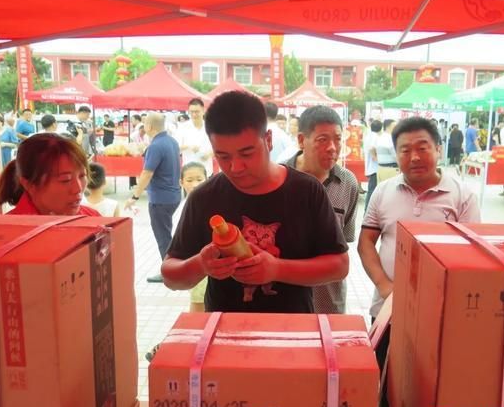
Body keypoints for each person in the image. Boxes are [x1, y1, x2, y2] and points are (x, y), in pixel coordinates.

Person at [161, 91, 349, 314]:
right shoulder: (204, 197)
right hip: (225, 328)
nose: (235, 167)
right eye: (223, 156)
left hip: (293, 327)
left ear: (268, 140)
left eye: (247, 153)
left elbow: (339, 265)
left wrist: (277, 269)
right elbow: (170, 275)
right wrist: (200, 265)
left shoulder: (306, 191)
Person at [358, 116, 480, 407]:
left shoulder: (462, 195)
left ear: (438, 149)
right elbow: (366, 243)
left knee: (435, 392)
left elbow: (472, 254)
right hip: (388, 311)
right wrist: (385, 287)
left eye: (422, 147)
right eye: (405, 149)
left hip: (440, 315)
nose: (414, 157)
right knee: (388, 391)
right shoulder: (383, 191)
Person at [283, 105, 358, 314]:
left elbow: (344, 241)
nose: (332, 148)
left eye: (337, 139)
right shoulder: (279, 179)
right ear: (301, 140)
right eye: (322, 139)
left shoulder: (348, 183)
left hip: (328, 302)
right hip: (286, 302)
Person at [124, 112, 181, 283]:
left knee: (163, 236)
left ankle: (169, 272)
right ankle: (174, 266)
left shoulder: (155, 146)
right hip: (173, 195)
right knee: (166, 233)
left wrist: (134, 196)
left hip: (160, 198)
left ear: (149, 126)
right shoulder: (172, 141)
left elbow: (147, 173)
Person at [0, 133, 100, 216]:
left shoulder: (93, 220)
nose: (78, 189)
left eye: (82, 176)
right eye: (65, 180)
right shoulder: (7, 231)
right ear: (29, 184)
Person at [175, 161, 209, 313]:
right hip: (196, 263)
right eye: (189, 180)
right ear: (181, 182)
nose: (195, 184)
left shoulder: (211, 203)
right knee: (198, 301)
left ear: (207, 179)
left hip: (211, 262)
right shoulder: (183, 207)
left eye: (199, 179)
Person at [175, 98, 214, 176]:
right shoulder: (182, 127)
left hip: (207, 170)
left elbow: (218, 147)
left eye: (197, 112)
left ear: (203, 111)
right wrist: (189, 147)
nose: (194, 114)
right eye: (191, 112)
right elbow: (175, 147)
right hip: (189, 171)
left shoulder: (211, 127)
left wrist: (209, 154)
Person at [363, 119, 382, 210]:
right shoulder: (375, 136)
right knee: (372, 190)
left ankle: (367, 210)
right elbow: (371, 148)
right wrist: (375, 156)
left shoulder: (369, 136)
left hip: (371, 167)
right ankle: (367, 210)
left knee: (372, 189)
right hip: (375, 167)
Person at [376, 119, 399, 183]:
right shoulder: (389, 138)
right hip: (390, 170)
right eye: (395, 126)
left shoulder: (380, 137)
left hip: (381, 169)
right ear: (388, 127)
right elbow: (396, 156)